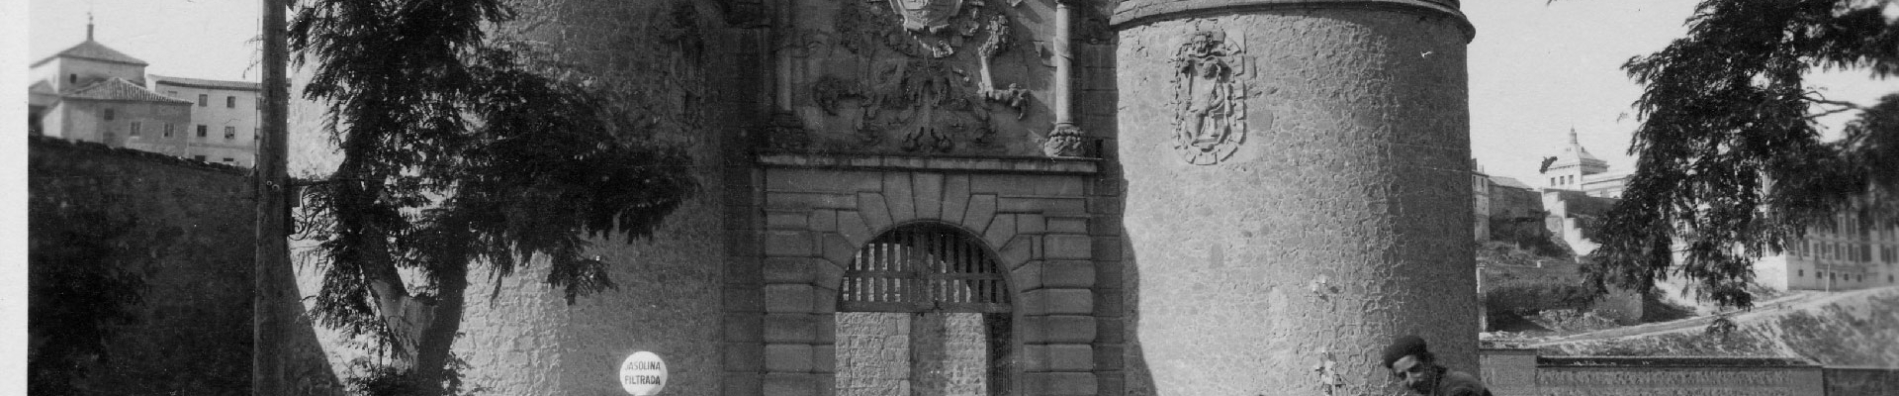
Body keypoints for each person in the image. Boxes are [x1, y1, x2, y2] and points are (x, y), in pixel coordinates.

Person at [1380, 335, 1491, 396]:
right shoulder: (1435, 387)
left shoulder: (1457, 388)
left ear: (1428, 362)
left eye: (1415, 369)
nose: (1411, 380)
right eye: (1403, 376)